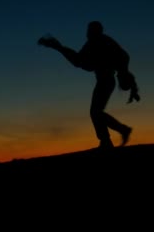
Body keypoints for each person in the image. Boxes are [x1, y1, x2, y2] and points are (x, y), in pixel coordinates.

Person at [38, 21, 135, 149]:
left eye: (90, 31)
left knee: (95, 112)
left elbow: (80, 61)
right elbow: (80, 60)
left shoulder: (101, 41)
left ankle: (114, 136)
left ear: (95, 31)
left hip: (106, 80)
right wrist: (58, 47)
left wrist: (58, 47)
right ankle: (112, 137)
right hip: (104, 80)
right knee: (96, 112)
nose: (87, 34)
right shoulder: (95, 42)